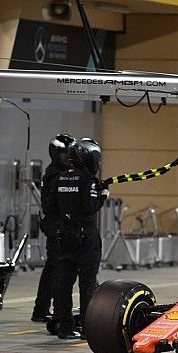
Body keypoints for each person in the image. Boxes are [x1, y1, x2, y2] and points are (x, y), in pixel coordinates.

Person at [45, 138, 108, 339]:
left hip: (64, 235)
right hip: (85, 237)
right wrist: (103, 195)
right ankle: (88, 326)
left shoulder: (61, 178)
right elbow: (90, 206)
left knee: (63, 282)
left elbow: (51, 207)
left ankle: (64, 326)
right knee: (88, 282)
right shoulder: (88, 181)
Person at [32, 133, 74, 322]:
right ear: (55, 153)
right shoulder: (55, 175)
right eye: (64, 153)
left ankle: (41, 310)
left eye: (69, 153)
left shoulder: (57, 173)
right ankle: (55, 312)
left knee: (52, 270)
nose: (68, 157)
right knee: (58, 271)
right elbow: (51, 205)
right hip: (56, 225)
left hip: (56, 224)